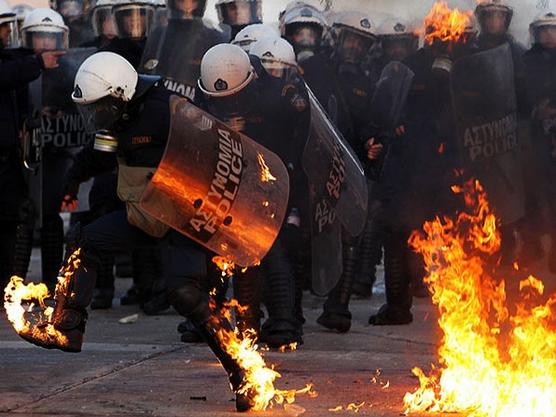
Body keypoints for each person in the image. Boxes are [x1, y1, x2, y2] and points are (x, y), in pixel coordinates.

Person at [19, 51, 255, 412]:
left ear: (119, 93)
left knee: (185, 294)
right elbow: (100, 152)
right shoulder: (116, 120)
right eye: (92, 109)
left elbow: (216, 154)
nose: (97, 116)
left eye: (100, 107)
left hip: (185, 217)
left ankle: (244, 374)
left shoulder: (170, 109)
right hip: (144, 212)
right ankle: (68, 325)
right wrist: (71, 182)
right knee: (87, 239)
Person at [196, 43, 309, 347]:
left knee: (275, 252)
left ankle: (285, 324)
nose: (230, 104)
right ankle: (238, 326)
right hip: (228, 183)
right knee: (227, 252)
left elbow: (292, 150)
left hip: (271, 184)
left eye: (235, 98)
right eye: (222, 100)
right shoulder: (203, 95)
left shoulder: (276, 99)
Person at [0, 0, 64, 289]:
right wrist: (38, 62)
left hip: (11, 157)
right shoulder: (17, 65)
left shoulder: (10, 60)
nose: (5, 35)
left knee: (13, 218)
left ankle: (7, 285)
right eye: (2, 28)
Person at [523, 11, 556, 271]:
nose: (548, 34)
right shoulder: (527, 61)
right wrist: (536, 112)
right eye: (543, 30)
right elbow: (515, 98)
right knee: (534, 192)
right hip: (536, 141)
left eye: (552, 29)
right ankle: (531, 245)